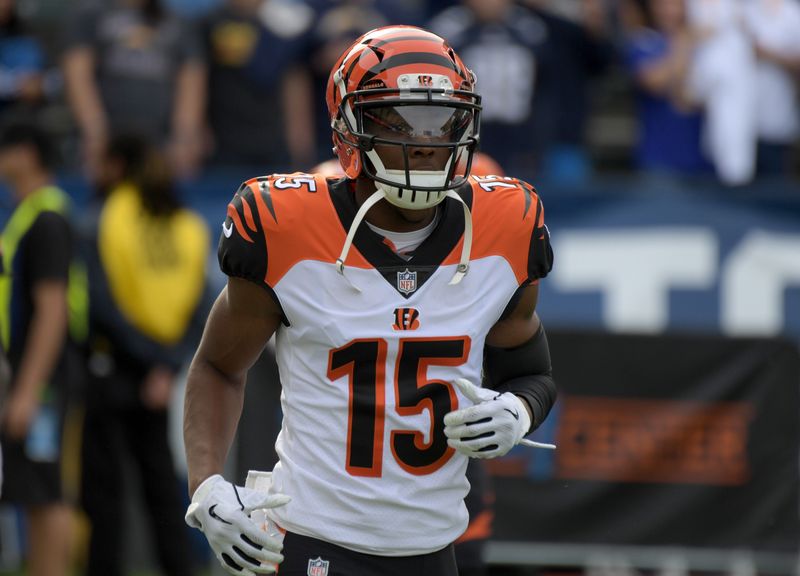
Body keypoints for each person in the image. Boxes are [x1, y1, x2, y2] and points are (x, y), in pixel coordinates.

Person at [183, 25, 557, 576]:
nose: (426, 142)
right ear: (350, 129)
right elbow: (218, 365)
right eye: (401, 120)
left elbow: (532, 371)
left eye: (442, 119)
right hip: (316, 543)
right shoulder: (286, 227)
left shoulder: (507, 226)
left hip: (435, 551)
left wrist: (518, 411)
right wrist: (207, 484)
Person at [79, 135, 209, 576]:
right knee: (161, 486)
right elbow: (201, 303)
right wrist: (165, 365)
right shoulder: (187, 224)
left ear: (116, 164)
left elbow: (100, 303)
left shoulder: (104, 217)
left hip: (113, 368)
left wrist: (146, 359)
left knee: (104, 493)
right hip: (159, 378)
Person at [0, 121, 76, 576]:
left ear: (28, 154)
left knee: (48, 493)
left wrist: (28, 390)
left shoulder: (46, 218)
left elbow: (52, 311)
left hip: (46, 385)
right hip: (39, 380)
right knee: (36, 490)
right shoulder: (32, 214)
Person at [62, 0, 207, 179]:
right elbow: (78, 75)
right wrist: (95, 133)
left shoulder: (176, 20)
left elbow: (191, 80)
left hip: (159, 146)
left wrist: (184, 138)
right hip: (110, 145)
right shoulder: (91, 14)